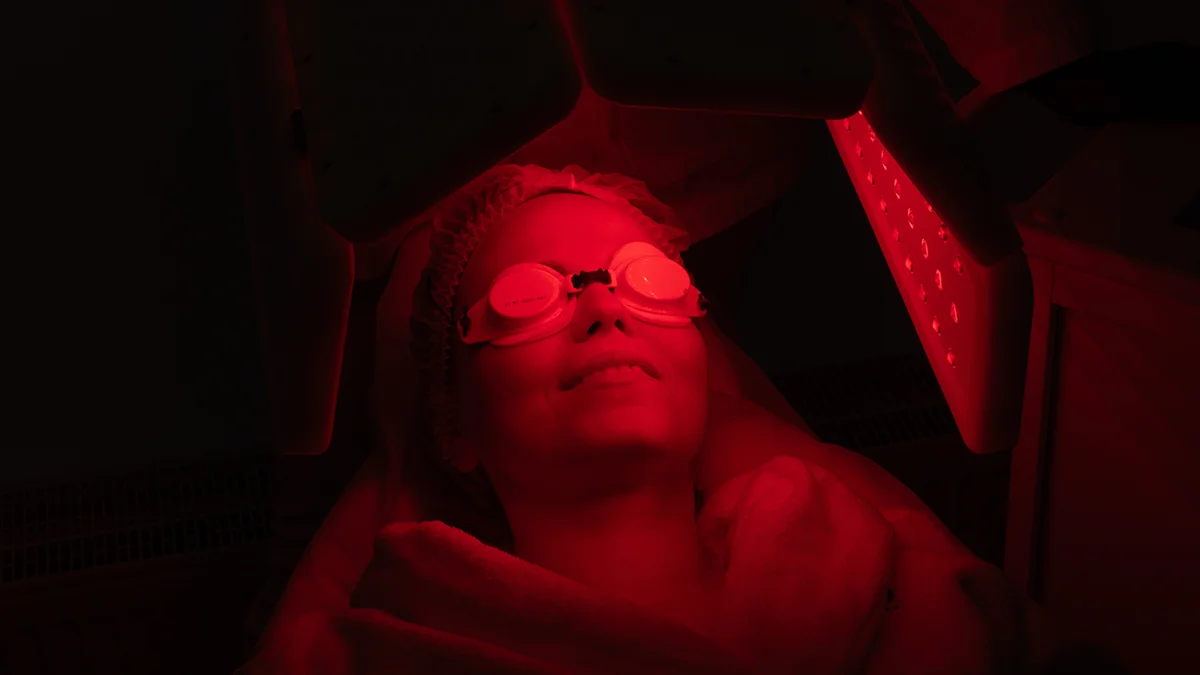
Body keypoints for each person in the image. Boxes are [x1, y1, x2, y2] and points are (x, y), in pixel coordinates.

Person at [239, 164, 1060, 674]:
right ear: (455, 425)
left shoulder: (879, 570)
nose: (602, 305)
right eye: (528, 296)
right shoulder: (389, 645)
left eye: (647, 279)